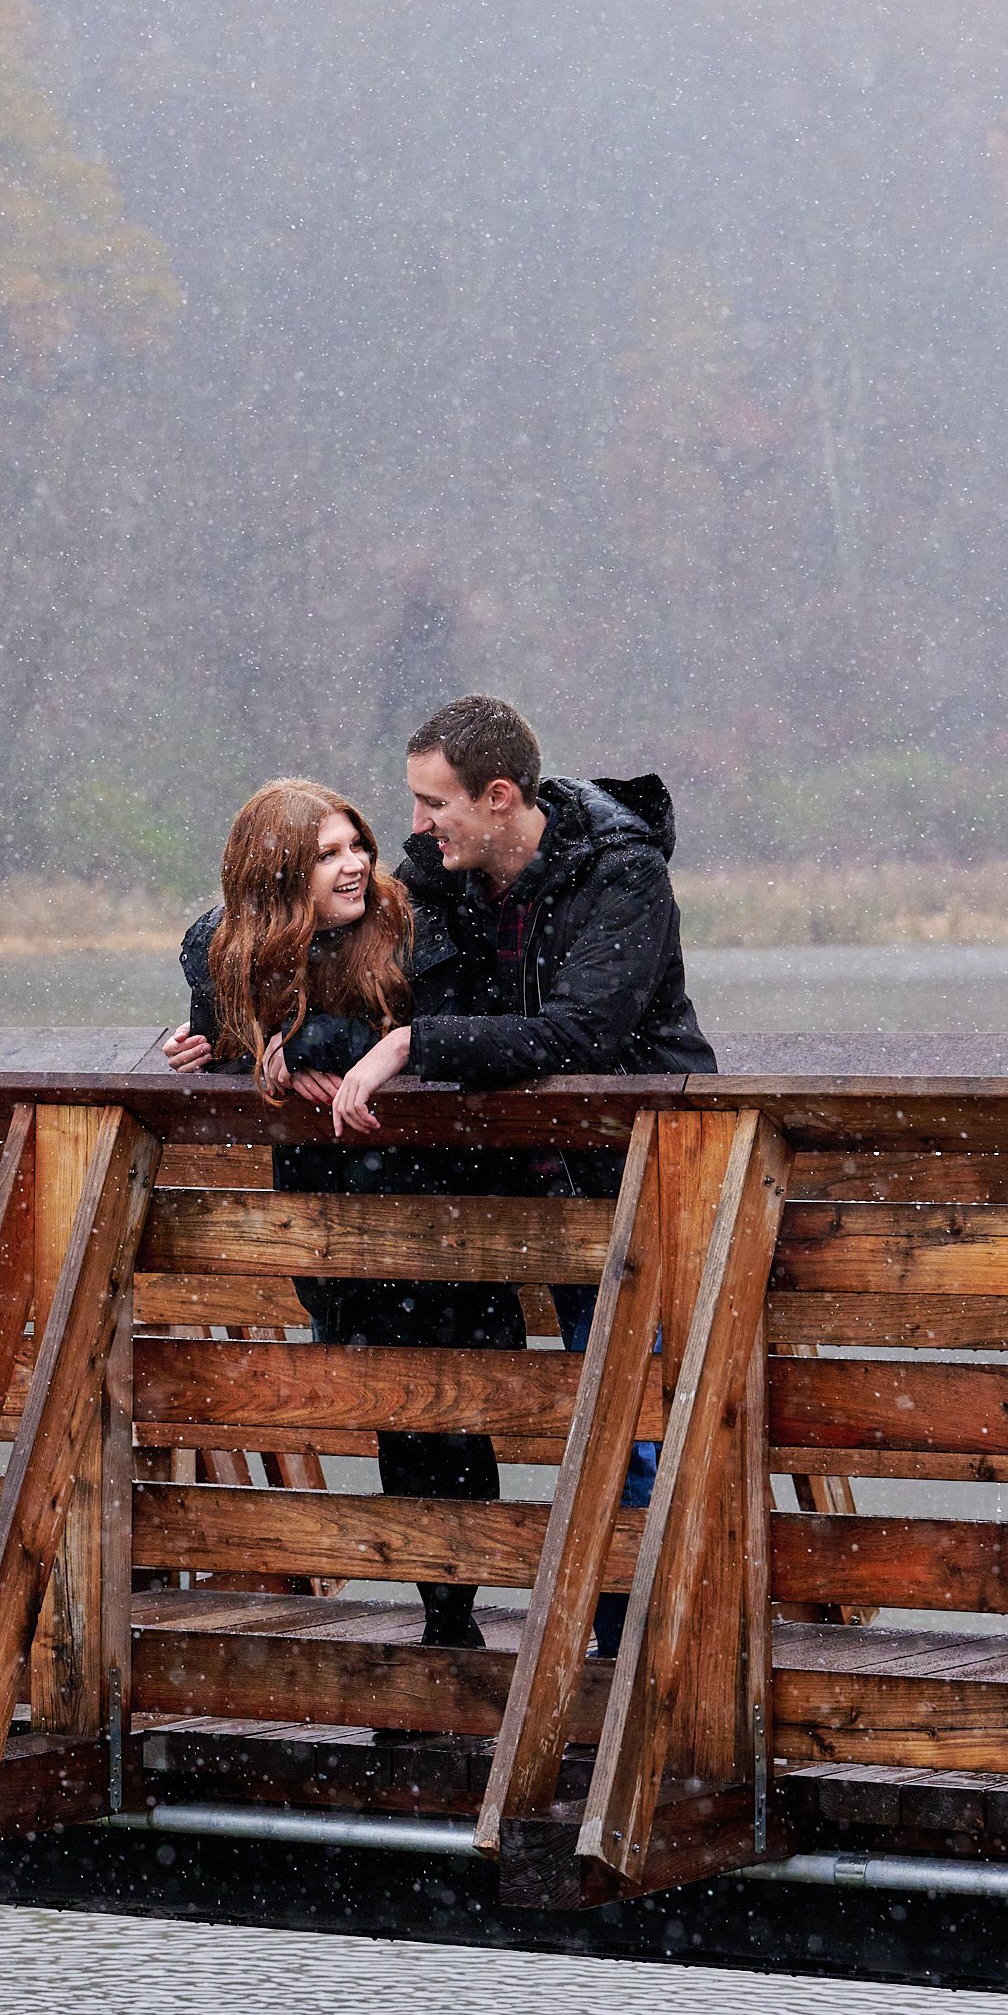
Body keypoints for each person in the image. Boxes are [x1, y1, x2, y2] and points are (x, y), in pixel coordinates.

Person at [323, 695, 718, 1655]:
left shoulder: (625, 879)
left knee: (635, 1423)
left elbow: (581, 1035)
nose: (412, 828)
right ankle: (486, 1636)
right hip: (501, 1196)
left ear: (499, 798)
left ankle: (636, 1660)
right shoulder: (437, 877)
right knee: (456, 1399)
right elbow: (277, 924)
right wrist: (241, 1028)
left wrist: (416, 1039)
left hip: (632, 1185)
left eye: (432, 804)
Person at [162, 777, 523, 1650]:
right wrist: (226, 1051)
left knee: (457, 1408)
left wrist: (329, 1044)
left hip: (438, 1201)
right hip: (333, 1213)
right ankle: (444, 1611)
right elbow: (223, 1024)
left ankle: (456, 1613)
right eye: (328, 854)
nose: (356, 864)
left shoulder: (413, 927)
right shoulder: (222, 945)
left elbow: (460, 1033)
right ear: (278, 871)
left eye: (355, 844)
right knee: (397, 1413)